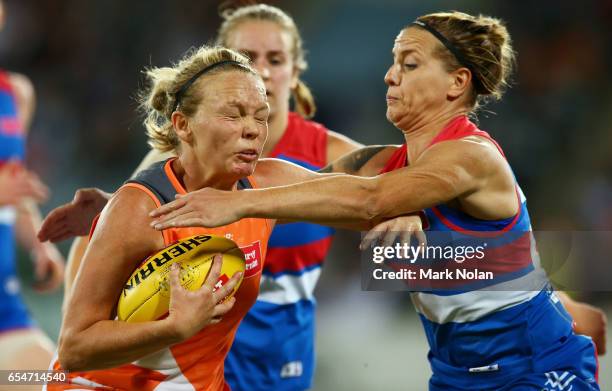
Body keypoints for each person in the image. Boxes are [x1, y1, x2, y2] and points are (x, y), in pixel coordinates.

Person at [148, 12, 601, 390]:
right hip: (457, 373)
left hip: (534, 368)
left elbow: (370, 200)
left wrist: (240, 205)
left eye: (409, 64)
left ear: (457, 82)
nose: (389, 75)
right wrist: (146, 196)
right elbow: (308, 182)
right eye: (393, 62)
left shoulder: (473, 156)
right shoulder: (391, 164)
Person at [40, 4, 369, 390]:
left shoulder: (268, 181)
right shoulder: (141, 206)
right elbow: (75, 347)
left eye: (259, 116)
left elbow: (363, 202)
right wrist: (177, 326)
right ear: (183, 125)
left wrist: (407, 213)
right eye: (233, 115)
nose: (252, 130)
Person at [0, 0, 65, 376]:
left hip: (4, 297)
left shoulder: (15, 94)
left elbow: (14, 187)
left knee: (47, 380)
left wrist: (41, 245)